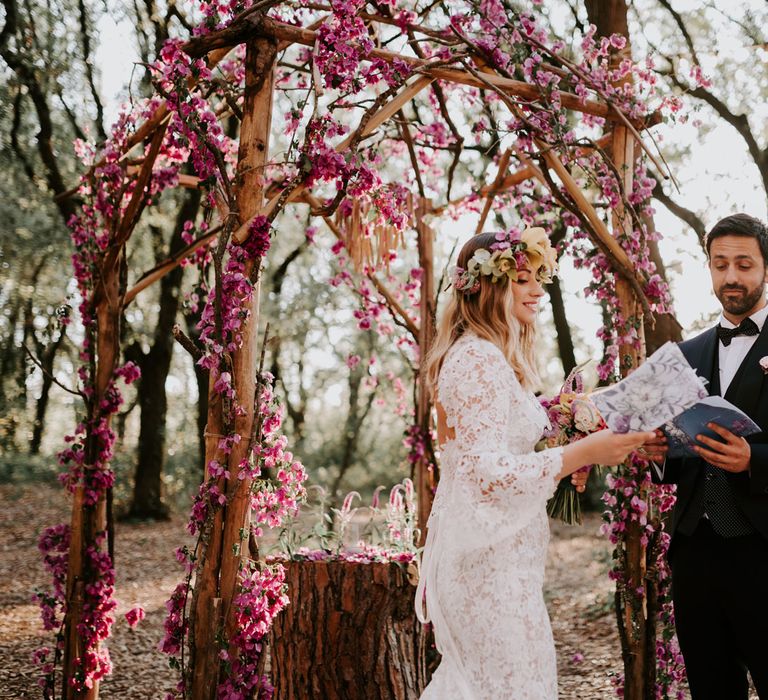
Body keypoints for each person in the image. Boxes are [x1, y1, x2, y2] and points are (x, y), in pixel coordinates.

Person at [415, 228, 655, 699]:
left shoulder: (493, 358)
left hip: (504, 559)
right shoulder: (478, 359)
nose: (538, 291)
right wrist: (582, 454)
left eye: (539, 278)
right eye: (523, 279)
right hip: (484, 566)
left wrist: (574, 440)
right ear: (484, 285)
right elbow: (485, 472)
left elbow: (506, 452)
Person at [643, 213, 768, 700]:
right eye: (720, 264)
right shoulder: (686, 352)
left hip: (762, 550)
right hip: (695, 555)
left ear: (764, 268)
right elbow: (678, 455)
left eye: (743, 263)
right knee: (711, 688)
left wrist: (754, 461)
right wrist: (659, 453)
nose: (731, 276)